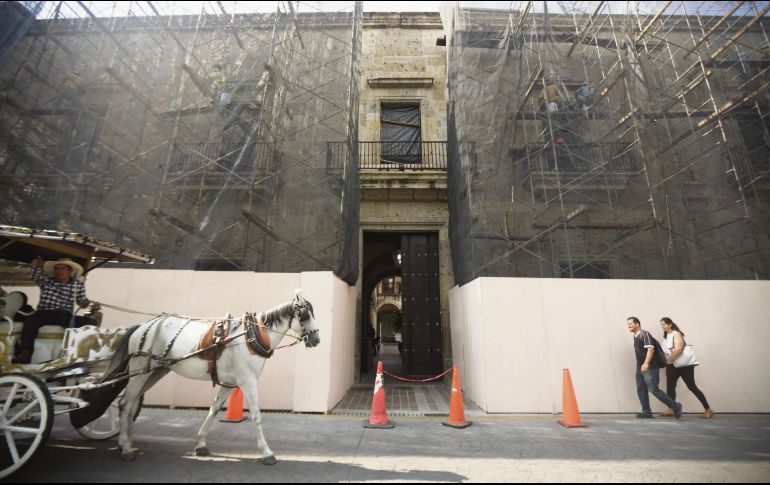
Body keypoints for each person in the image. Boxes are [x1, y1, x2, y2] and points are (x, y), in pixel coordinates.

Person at [12, 257, 92, 364]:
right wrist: (38, 267)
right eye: (57, 269)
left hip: (63, 317)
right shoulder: (47, 280)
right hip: (43, 314)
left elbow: (81, 302)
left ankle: (80, 353)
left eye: (62, 268)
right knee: (30, 321)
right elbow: (35, 276)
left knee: (90, 322)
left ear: (70, 270)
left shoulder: (78, 284)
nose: (59, 271)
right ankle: (25, 353)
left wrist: (85, 303)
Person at [626, 316, 682, 419]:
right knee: (641, 389)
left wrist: (646, 363)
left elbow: (650, 349)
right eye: (628, 324)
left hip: (650, 367)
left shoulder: (644, 334)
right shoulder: (636, 336)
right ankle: (646, 412)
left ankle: (676, 406)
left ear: (637, 324)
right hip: (640, 368)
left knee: (654, 389)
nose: (628, 326)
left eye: (630, 324)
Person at [659, 317, 715, 419]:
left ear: (670, 324)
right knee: (670, 386)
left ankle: (708, 409)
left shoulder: (676, 333)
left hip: (683, 365)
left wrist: (668, 359)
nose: (662, 326)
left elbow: (679, 349)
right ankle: (671, 409)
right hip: (672, 365)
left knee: (691, 386)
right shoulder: (666, 336)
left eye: (664, 324)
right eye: (661, 325)